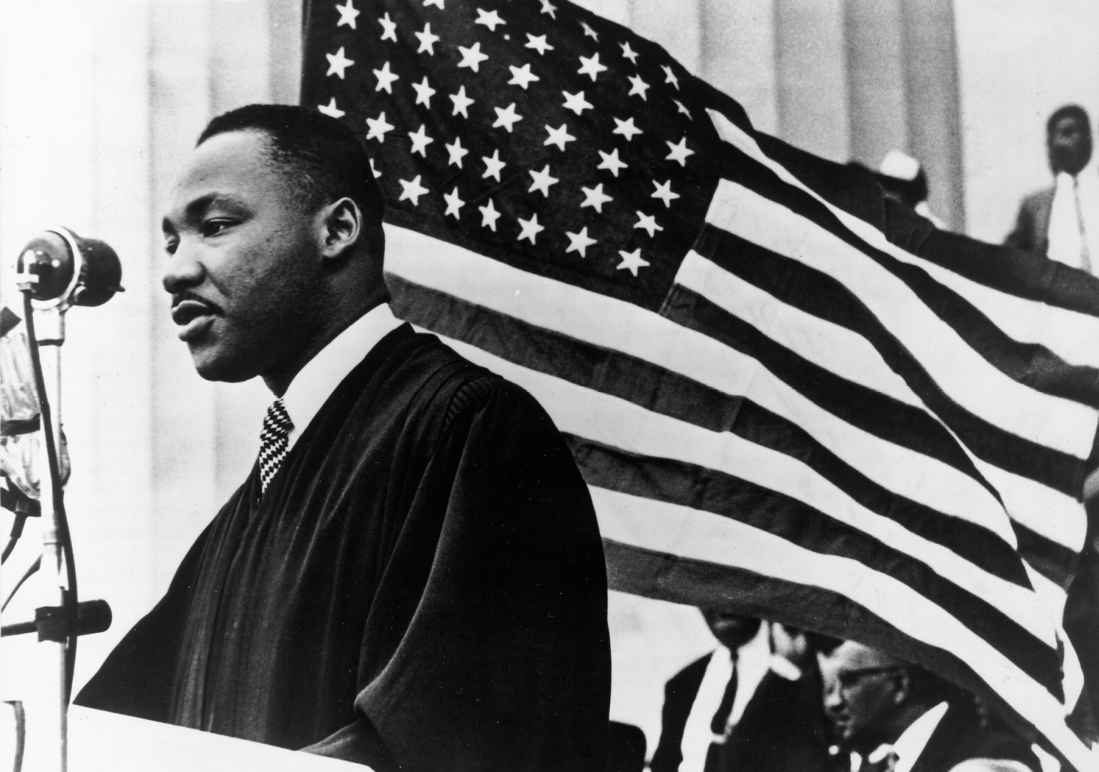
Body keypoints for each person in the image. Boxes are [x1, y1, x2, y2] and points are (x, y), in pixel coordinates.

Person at [74, 104, 611, 772]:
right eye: (171, 243)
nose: (176, 271)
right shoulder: (254, 500)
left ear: (337, 231)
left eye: (214, 226)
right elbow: (110, 726)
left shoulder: (472, 428)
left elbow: (455, 734)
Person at [650, 611, 837, 772]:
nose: (722, 602)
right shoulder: (683, 684)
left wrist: (787, 669)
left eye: (730, 584)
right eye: (707, 586)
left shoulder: (806, 666)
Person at [817, 639, 1038, 772]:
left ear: (899, 685)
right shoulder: (864, 763)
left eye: (848, 681)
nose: (832, 702)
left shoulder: (992, 757)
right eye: (827, 687)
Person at [1005, 104, 1096, 267]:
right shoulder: (1034, 207)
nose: (1059, 142)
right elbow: (1008, 260)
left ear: (1088, 137)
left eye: (1068, 132)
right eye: (1053, 137)